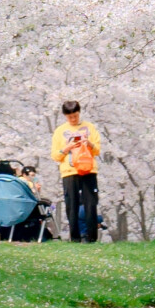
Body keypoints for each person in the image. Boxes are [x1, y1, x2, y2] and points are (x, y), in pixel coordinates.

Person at [50, 100, 101, 244]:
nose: (73, 119)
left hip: (88, 169)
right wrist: (67, 147)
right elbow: (55, 155)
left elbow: (97, 150)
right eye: (70, 117)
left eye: (76, 116)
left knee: (91, 204)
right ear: (65, 116)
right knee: (71, 205)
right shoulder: (60, 131)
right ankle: (75, 238)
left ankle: (91, 238)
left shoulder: (89, 127)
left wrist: (87, 142)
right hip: (69, 171)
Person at [0, 161, 42, 242]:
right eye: (32, 176)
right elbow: (28, 194)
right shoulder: (21, 182)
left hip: (5, 205)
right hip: (21, 206)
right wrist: (35, 188)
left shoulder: (1, 181)